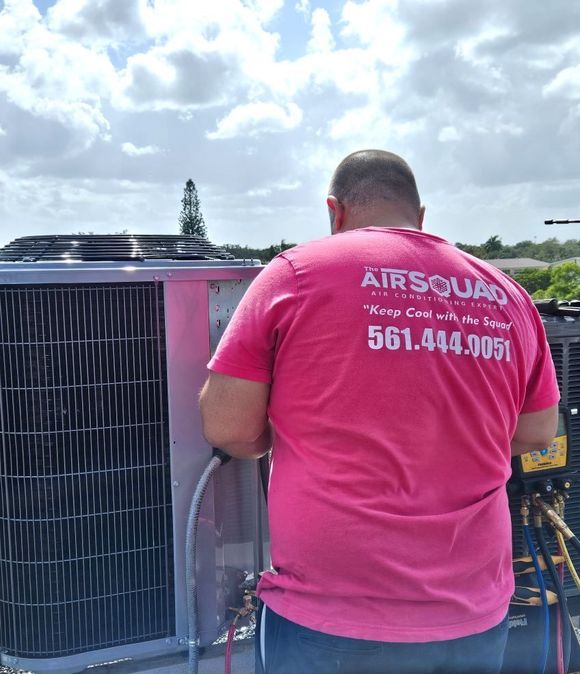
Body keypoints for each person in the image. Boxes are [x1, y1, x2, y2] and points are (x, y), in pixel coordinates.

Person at [199, 149, 559, 674]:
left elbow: (229, 429)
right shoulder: (507, 295)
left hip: (331, 617)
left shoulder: (297, 274)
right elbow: (538, 430)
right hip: (473, 616)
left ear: (335, 211)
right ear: (421, 217)